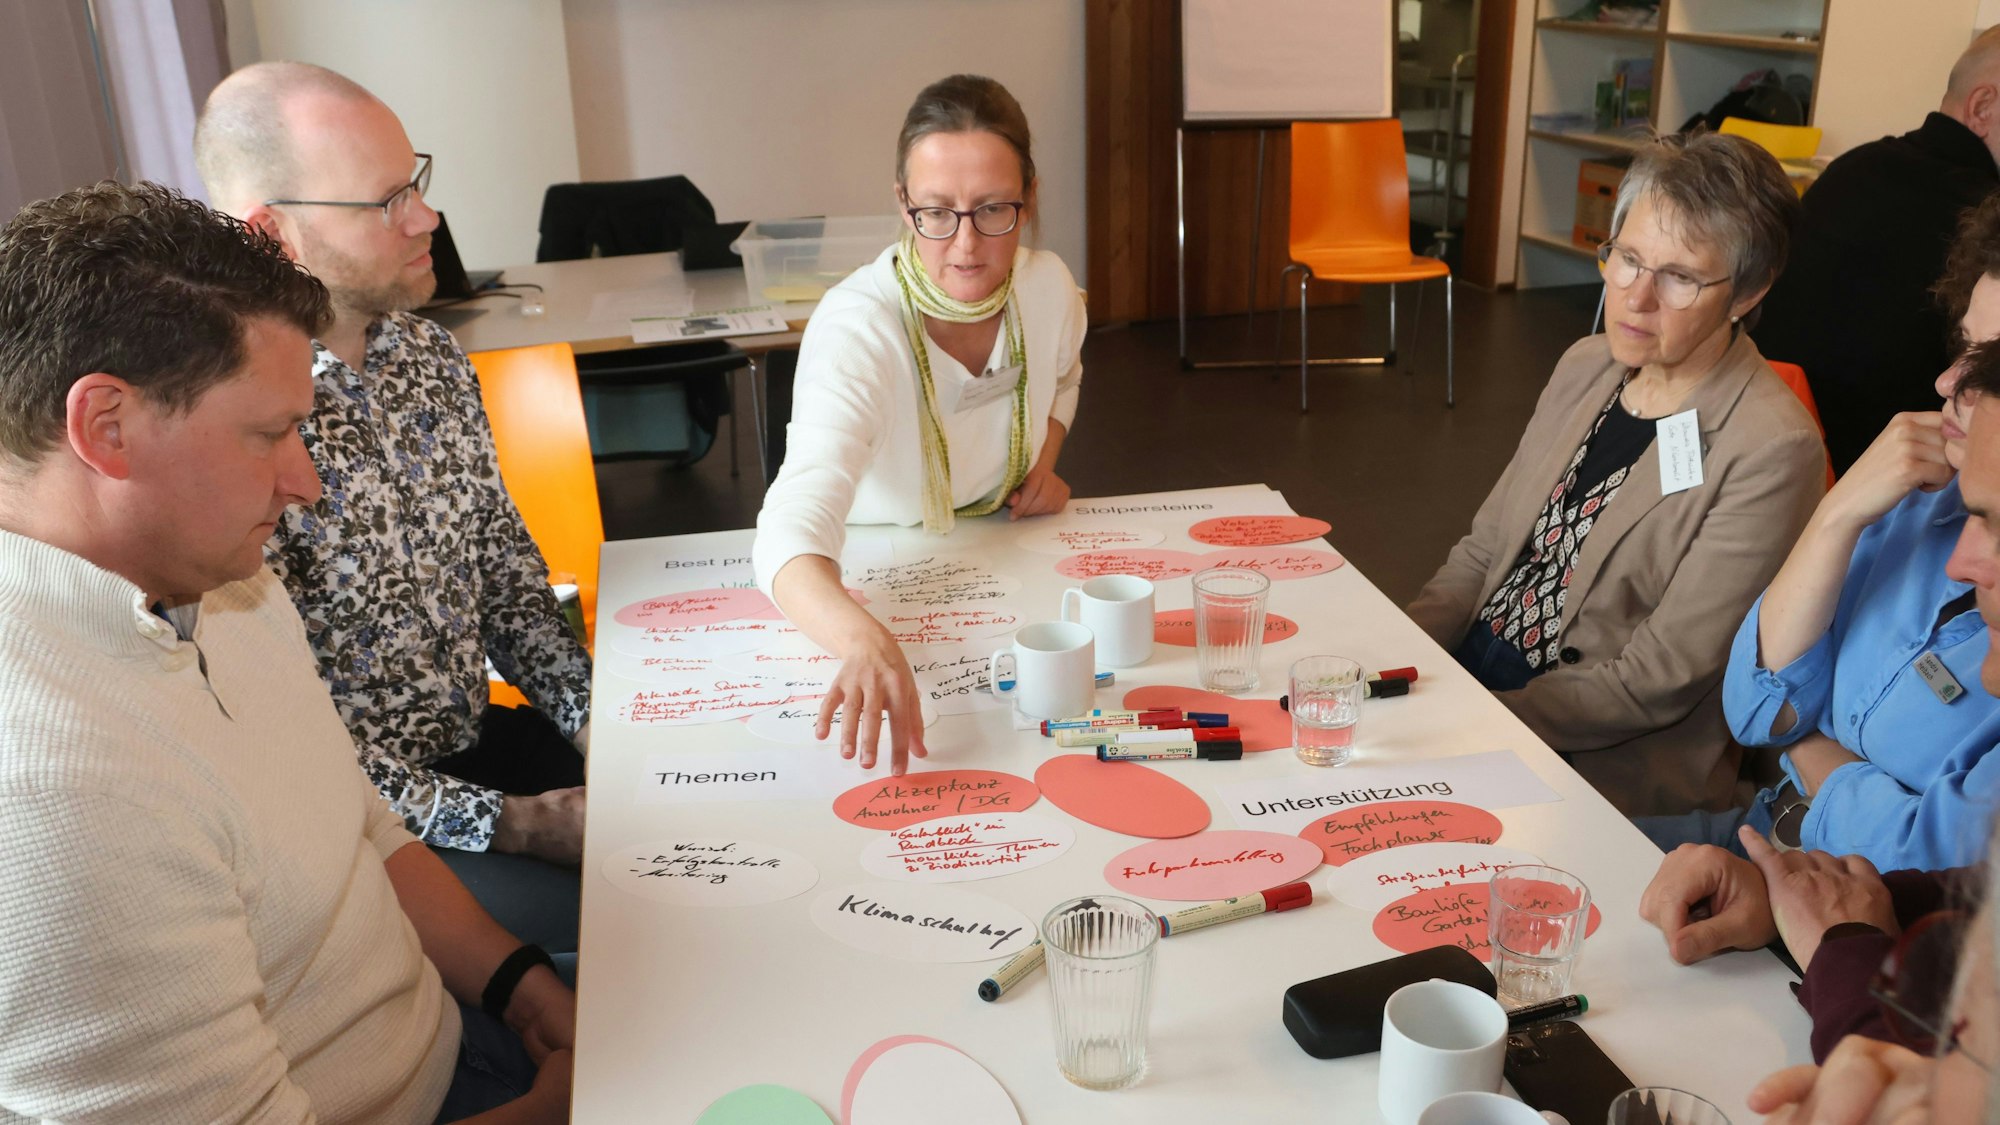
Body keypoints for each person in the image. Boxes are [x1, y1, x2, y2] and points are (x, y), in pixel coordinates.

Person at [0, 180, 571, 1121]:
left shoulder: (222, 575)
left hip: (460, 1030)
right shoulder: (56, 790)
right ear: (108, 427)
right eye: (269, 433)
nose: (304, 481)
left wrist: (521, 984)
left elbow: (360, 824)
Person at [195, 62, 588, 950]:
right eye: (384, 203)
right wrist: (521, 822)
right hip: (359, 826)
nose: (427, 219)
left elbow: (506, 588)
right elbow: (293, 749)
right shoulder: (231, 423)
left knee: (694, 824)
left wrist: (593, 718)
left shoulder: (430, 359)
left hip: (472, 742)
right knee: (624, 925)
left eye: (414, 183)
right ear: (271, 231)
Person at [1406, 131, 1827, 817]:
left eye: (1680, 277)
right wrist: (1396, 659)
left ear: (1748, 291)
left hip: (1598, 747)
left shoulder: (1772, 446)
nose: (1636, 297)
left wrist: (1472, 724)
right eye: (1627, 258)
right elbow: (1483, 552)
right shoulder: (1586, 364)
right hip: (1476, 671)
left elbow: (1657, 677)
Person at [1636, 197, 2000, 872]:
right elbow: (1756, 711)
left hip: (1864, 919)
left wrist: (1810, 754)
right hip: (1755, 838)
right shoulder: (1920, 497)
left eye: (1991, 367)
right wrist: (1840, 513)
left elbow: (1929, 855)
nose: (1948, 380)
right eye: (1962, 346)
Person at [752, 74, 1086, 776]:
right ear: (903, 206)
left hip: (1005, 564)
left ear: (1029, 199)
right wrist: (860, 640)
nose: (964, 245)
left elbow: (1063, 377)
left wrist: (1043, 459)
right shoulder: (857, 329)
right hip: (875, 580)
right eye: (937, 211)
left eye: (992, 208)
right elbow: (787, 529)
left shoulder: (1048, 286)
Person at [1752, 26, 2000, 474]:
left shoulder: (1853, 166)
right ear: (1982, 107)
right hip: (1883, 479)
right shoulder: (1983, 216)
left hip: (1766, 445)